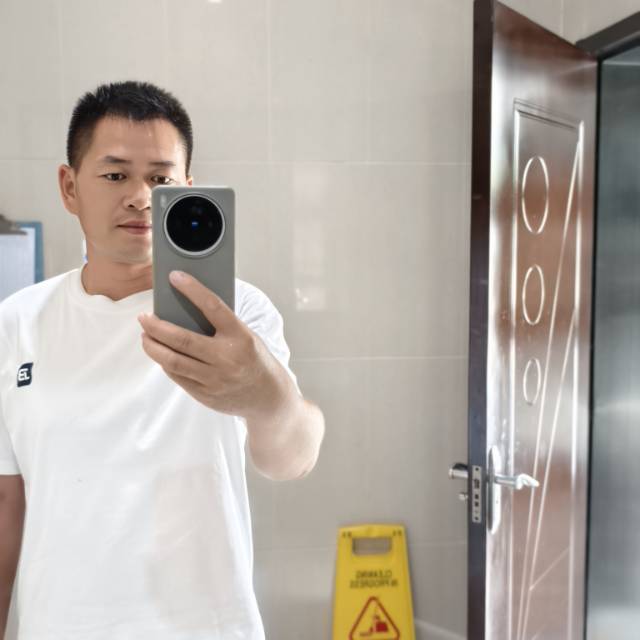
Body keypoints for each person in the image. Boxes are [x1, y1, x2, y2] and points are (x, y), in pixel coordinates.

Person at [0, 80, 325, 639]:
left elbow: (292, 460)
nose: (140, 197)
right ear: (69, 187)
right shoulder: (16, 322)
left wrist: (267, 397)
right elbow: (8, 501)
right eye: (115, 175)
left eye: (160, 179)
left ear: (186, 190)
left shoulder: (238, 312)